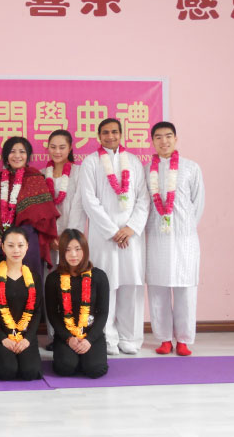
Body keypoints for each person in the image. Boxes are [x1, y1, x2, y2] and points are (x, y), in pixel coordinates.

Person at [79, 118, 150, 355]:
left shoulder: (134, 162)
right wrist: (112, 231)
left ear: (121, 134)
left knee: (131, 285)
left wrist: (131, 228)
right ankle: (107, 337)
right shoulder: (90, 162)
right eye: (106, 132)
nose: (110, 136)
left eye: (115, 132)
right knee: (104, 285)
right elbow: (89, 200)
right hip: (103, 236)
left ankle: (130, 337)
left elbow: (143, 198)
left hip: (131, 237)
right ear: (99, 136)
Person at [145, 122, 205, 356]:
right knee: (158, 288)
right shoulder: (146, 170)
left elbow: (198, 203)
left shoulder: (191, 168)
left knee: (185, 290)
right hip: (157, 238)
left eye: (168, 136)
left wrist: (185, 228)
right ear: (152, 141)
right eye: (158, 137)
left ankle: (183, 339)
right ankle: (164, 339)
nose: (164, 141)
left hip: (184, 239)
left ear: (176, 138)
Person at [41, 129, 87, 350]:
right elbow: (40, 209)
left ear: (70, 148)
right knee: (52, 286)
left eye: (62, 147)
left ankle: (75, 334)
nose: (57, 151)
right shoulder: (42, 174)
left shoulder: (79, 173)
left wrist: (69, 240)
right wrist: (50, 236)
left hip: (72, 242)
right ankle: (55, 336)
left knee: (73, 286)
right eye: (53, 147)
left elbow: (79, 206)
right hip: (49, 240)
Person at [0, 136, 59, 282]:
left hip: (28, 242)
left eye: (22, 151)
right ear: (6, 155)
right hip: (2, 241)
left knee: (30, 283)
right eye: (12, 151)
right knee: (2, 284)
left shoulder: (35, 177)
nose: (17, 156)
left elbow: (45, 215)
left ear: (28, 155)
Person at [45, 229, 109, 378]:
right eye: (67, 250)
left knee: (95, 370)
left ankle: (86, 357)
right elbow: (52, 314)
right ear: (62, 252)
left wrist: (89, 340)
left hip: (91, 334)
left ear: (85, 250)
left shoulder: (99, 276)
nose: (73, 255)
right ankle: (73, 357)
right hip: (66, 335)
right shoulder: (53, 279)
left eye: (77, 249)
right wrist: (68, 338)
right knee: (65, 368)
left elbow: (103, 312)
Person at [0, 227, 43, 380]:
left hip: (25, 335)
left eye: (20, 245)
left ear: (27, 247)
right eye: (10, 245)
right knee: (7, 371)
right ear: (3, 247)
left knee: (30, 372)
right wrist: (3, 338)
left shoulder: (34, 278)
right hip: (1, 337)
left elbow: (37, 311)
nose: (16, 250)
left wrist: (27, 339)